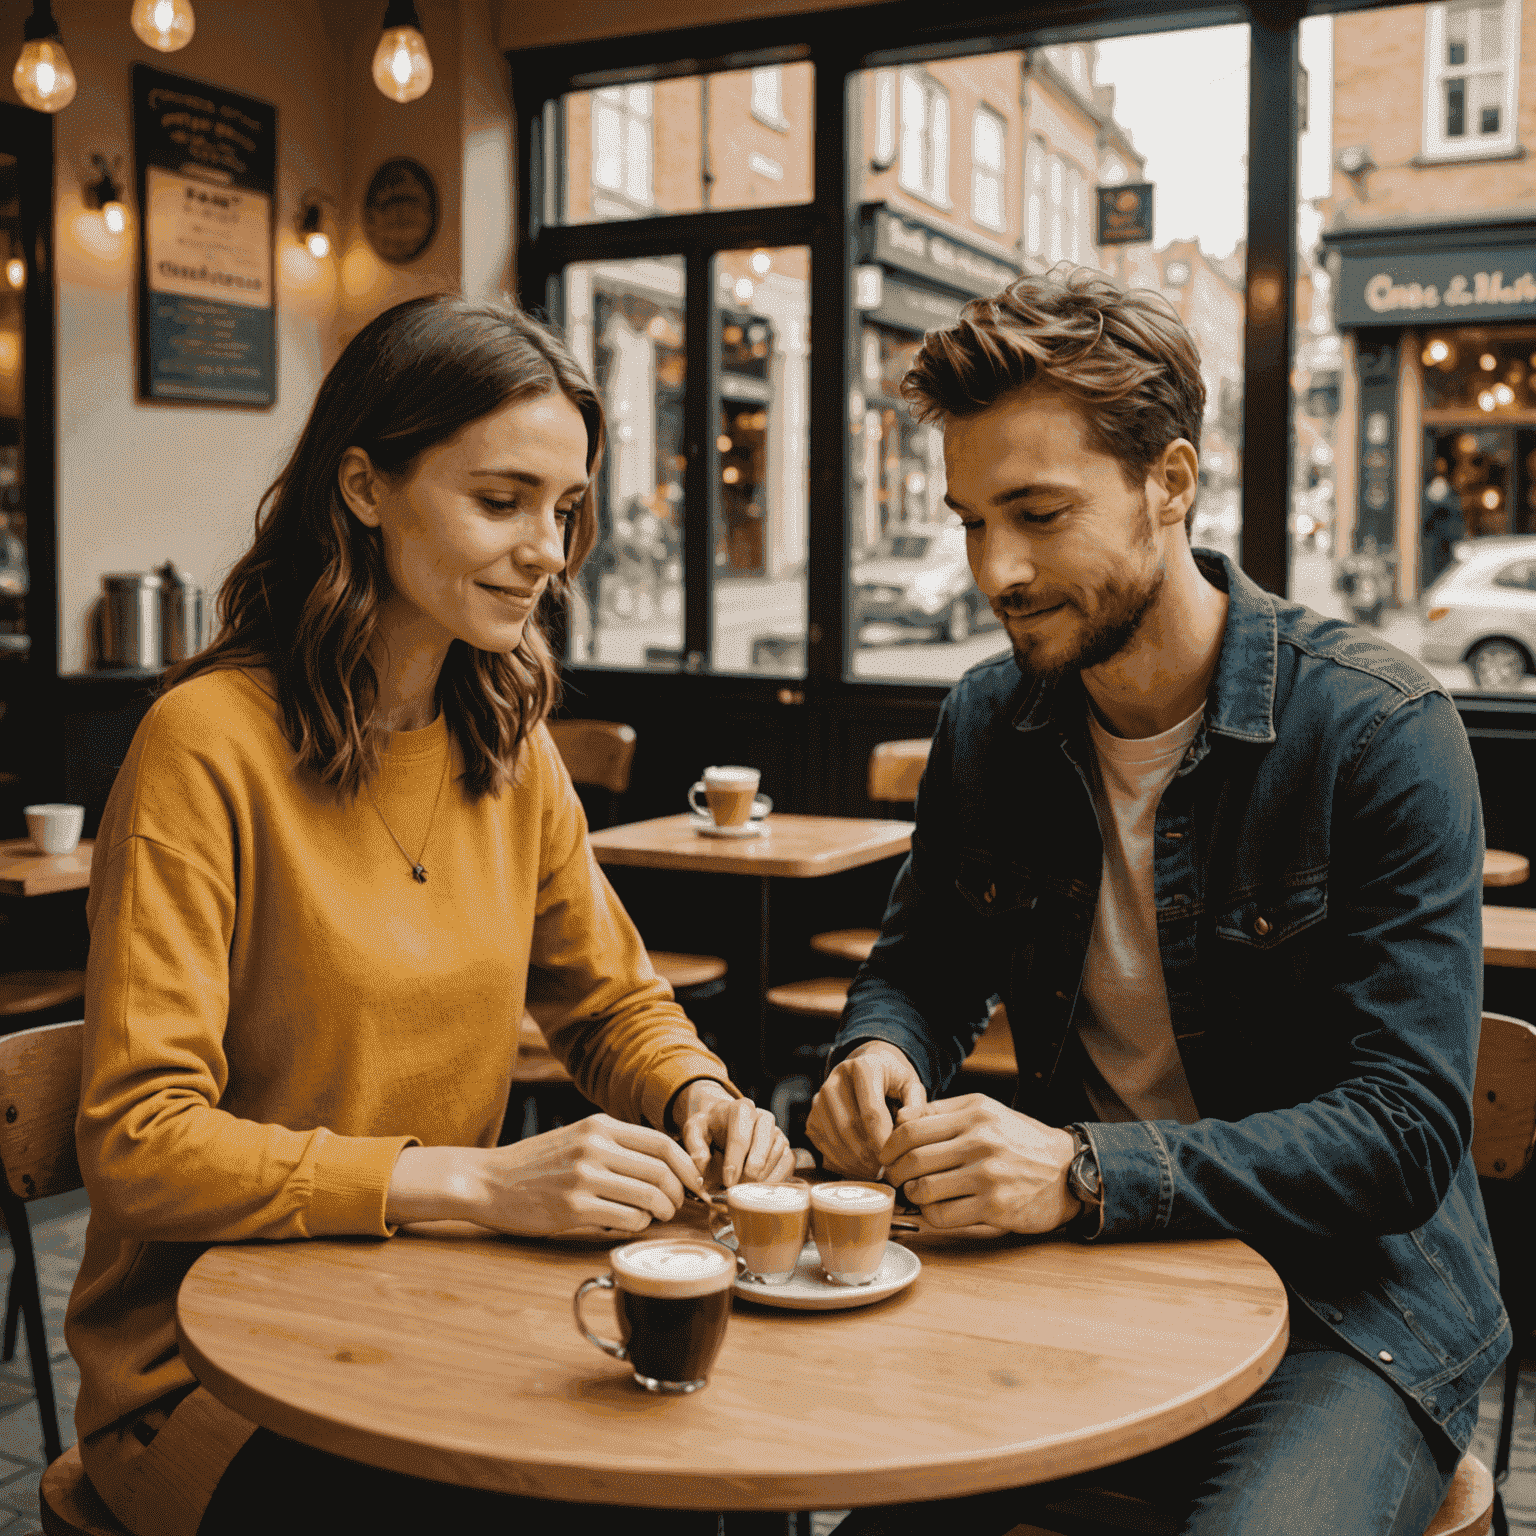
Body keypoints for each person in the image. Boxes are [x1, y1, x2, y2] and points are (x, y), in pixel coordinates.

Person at [67, 294, 791, 1536]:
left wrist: (696, 1096)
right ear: (364, 487)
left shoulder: (505, 741)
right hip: (208, 1380)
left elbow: (612, 1003)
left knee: (725, 1470)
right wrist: (476, 1184)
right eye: (501, 501)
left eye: (565, 510)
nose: (547, 550)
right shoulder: (205, 744)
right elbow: (140, 1143)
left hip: (434, 1313)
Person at [807, 269, 1508, 1536]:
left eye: (1038, 514)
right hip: (1083, 1277)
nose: (997, 570)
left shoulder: (1378, 729)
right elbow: (924, 966)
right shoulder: (989, 722)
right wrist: (880, 1054)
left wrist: (1082, 1174)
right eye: (972, 523)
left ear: (1169, 483)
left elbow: (1404, 1133)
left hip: (1351, 1311)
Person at [1423, 474, 1466, 587]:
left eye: (1441, 488)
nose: (1438, 490)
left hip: (1445, 553)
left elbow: (1456, 533)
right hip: (1429, 554)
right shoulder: (1424, 507)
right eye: (1436, 487)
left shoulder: (1452, 509)